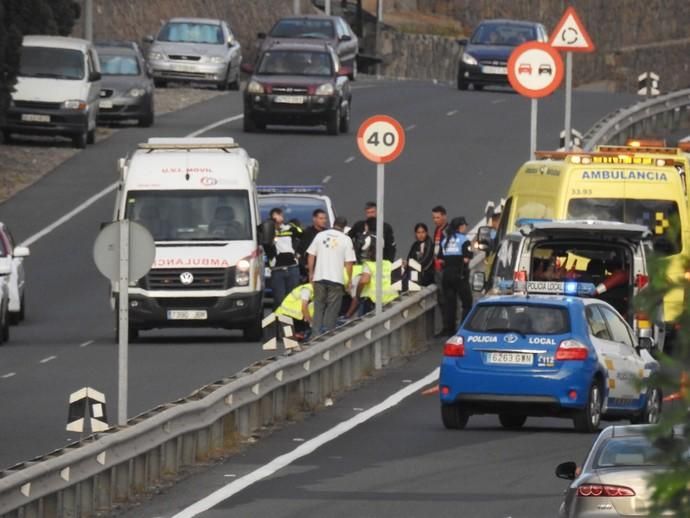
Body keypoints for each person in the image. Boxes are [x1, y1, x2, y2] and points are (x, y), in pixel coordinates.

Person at [307, 216, 356, 334]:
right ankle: (328, 335)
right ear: (344, 227)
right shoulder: (346, 239)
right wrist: (349, 280)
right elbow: (349, 263)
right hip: (336, 280)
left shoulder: (320, 235)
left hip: (319, 278)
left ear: (333, 223)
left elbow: (311, 255)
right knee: (332, 308)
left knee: (318, 306)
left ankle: (315, 334)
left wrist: (311, 274)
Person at [346, 230, 398, 317]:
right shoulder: (388, 263)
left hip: (374, 302)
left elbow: (364, 280)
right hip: (391, 299)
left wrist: (357, 294)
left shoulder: (368, 265)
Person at [440, 216, 473, 334]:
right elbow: (466, 259)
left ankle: (449, 329)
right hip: (460, 275)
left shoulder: (445, 240)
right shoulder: (464, 240)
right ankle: (464, 329)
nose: (466, 227)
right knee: (467, 302)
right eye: (465, 225)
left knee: (450, 304)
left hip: (446, 275)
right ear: (460, 227)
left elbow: (441, 259)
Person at [266, 208, 302, 309]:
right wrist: (273, 225)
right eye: (275, 216)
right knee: (279, 300)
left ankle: (292, 322)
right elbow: (264, 242)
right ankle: (279, 323)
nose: (278, 218)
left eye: (279, 215)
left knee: (293, 298)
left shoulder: (290, 228)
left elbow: (302, 234)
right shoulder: (268, 230)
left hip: (292, 267)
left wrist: (299, 253)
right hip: (277, 270)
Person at [431, 205, 449, 335]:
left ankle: (449, 327)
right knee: (441, 300)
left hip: (444, 270)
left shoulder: (447, 231)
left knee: (447, 299)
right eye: (434, 217)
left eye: (437, 217)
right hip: (436, 269)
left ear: (444, 216)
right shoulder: (437, 230)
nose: (435, 220)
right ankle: (445, 326)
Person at [297, 208, 328, 277]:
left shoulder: (327, 233)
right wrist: (305, 266)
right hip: (312, 270)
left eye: (325, 218)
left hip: (326, 269)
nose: (324, 221)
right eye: (321, 218)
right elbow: (300, 251)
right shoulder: (308, 233)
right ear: (314, 219)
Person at [406, 222, 434, 287]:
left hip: (426, 276)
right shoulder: (415, 245)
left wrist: (414, 266)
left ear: (426, 233)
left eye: (423, 232)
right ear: (415, 233)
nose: (421, 235)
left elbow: (426, 260)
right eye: (418, 232)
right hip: (414, 274)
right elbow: (409, 258)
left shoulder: (429, 244)